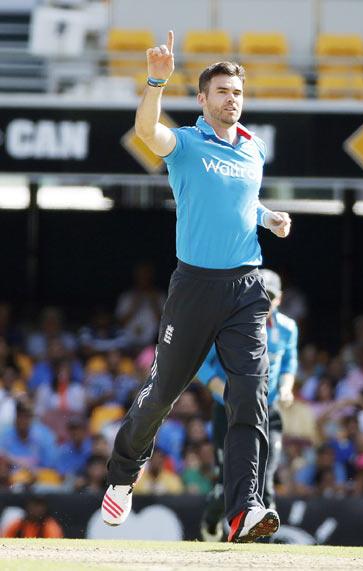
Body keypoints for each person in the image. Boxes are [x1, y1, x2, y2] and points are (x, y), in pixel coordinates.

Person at [101, 30, 291, 545]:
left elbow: (239, 204)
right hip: (194, 288)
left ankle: (244, 510)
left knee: (252, 393)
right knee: (163, 392)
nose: (233, 100)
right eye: (224, 92)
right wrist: (157, 80)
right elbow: (146, 131)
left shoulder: (253, 150)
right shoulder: (184, 143)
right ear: (204, 99)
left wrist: (267, 217)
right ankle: (122, 473)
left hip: (247, 287)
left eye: (239, 93)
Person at [197, 268, 298, 541]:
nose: (265, 302)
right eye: (261, 294)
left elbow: (289, 362)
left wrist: (287, 388)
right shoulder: (228, 322)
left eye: (271, 297)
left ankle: (262, 546)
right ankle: (212, 517)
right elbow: (201, 365)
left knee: (266, 478)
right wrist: (224, 390)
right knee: (227, 480)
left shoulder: (288, 328)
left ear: (279, 299)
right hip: (230, 411)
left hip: (269, 410)